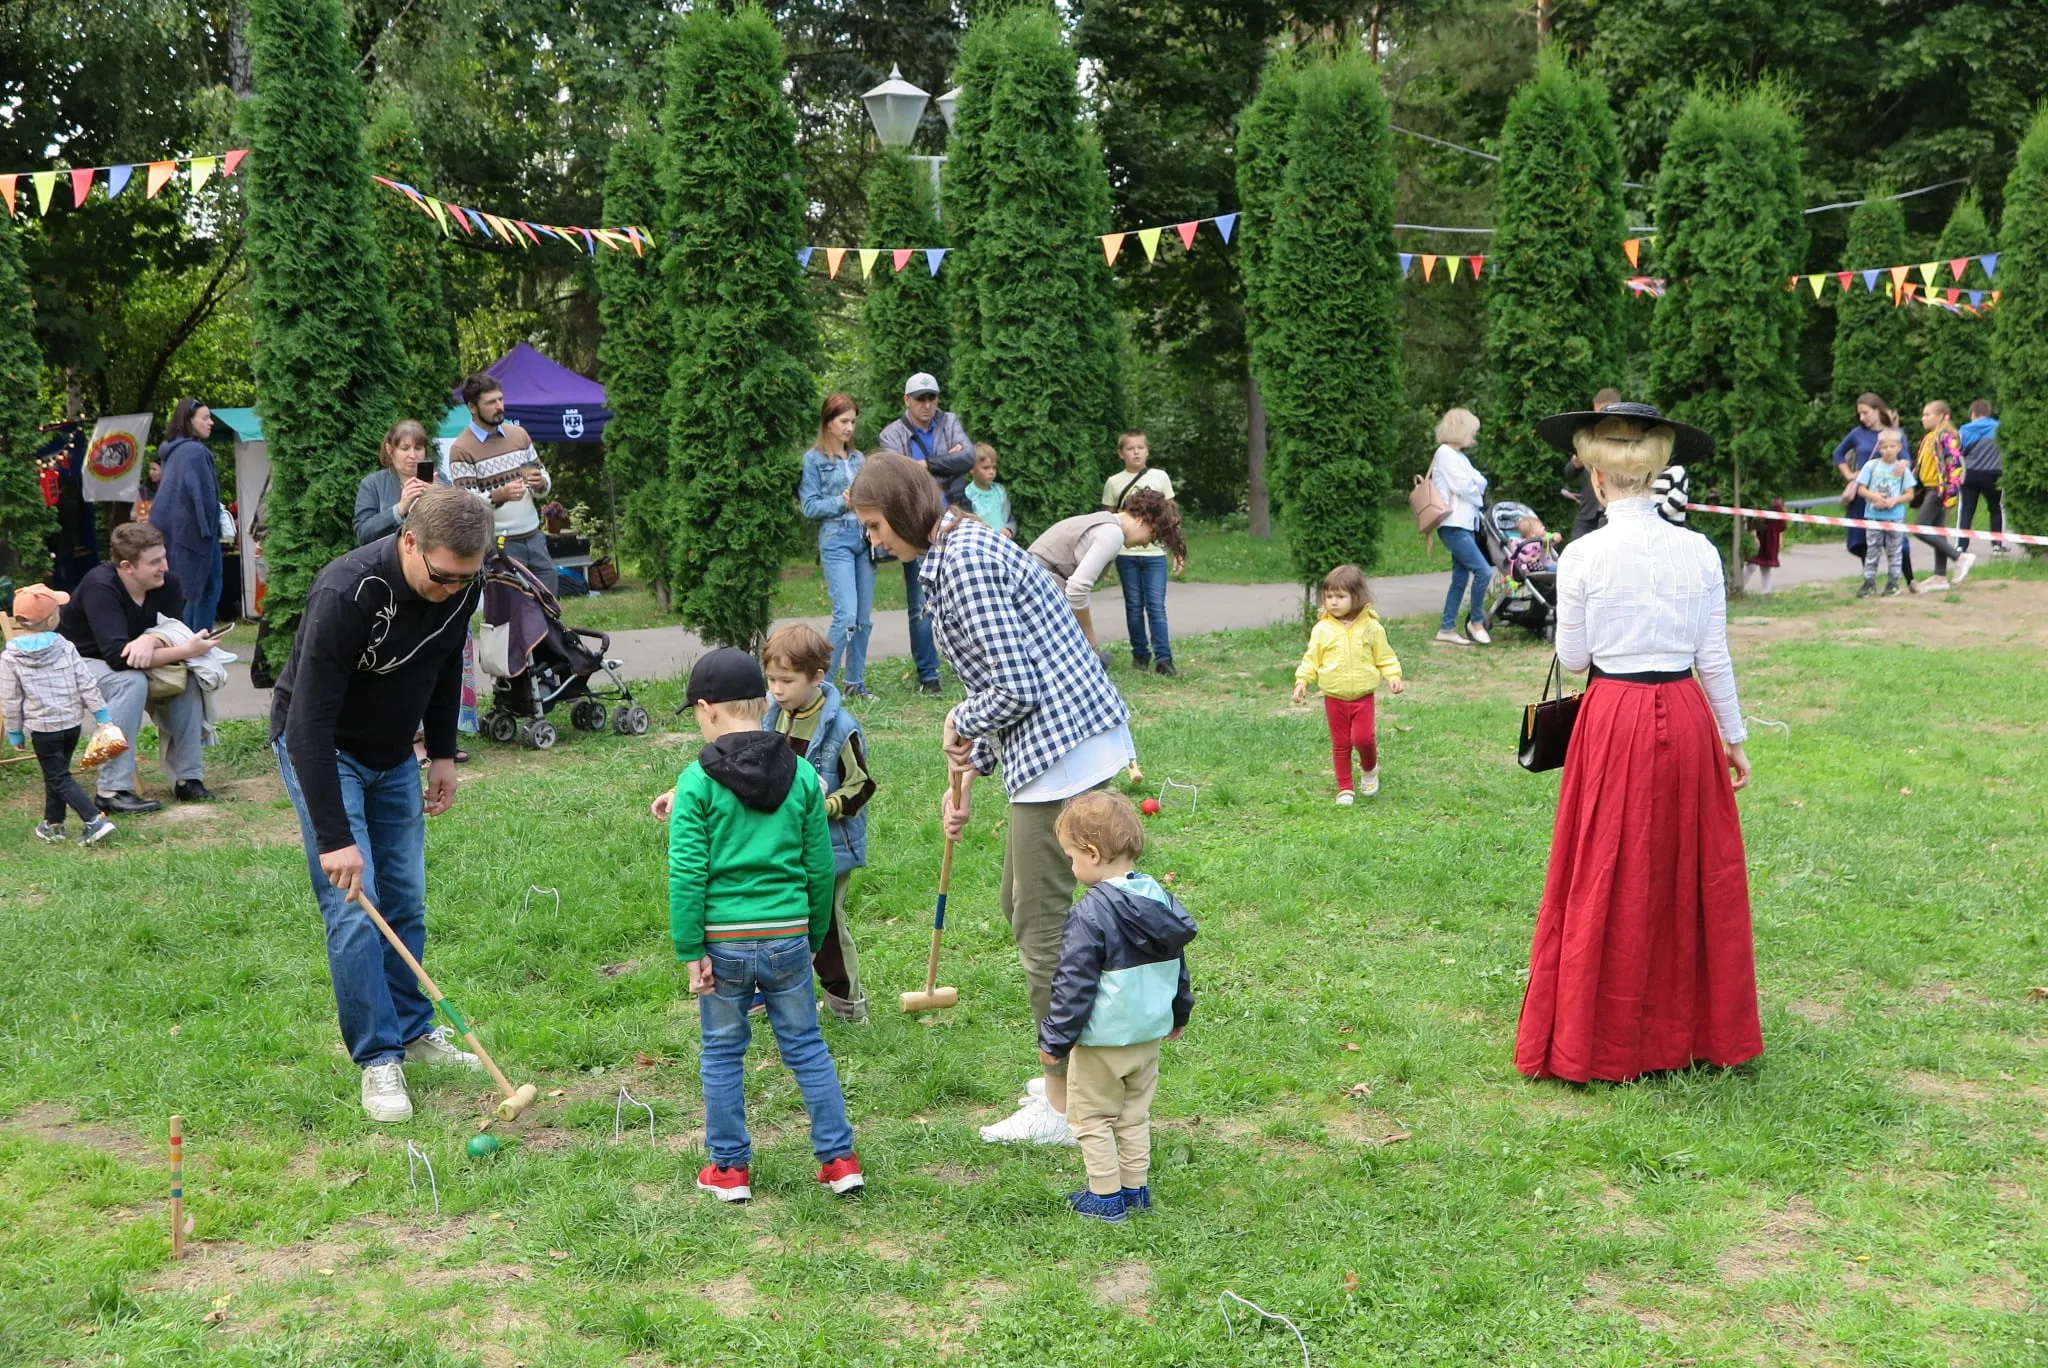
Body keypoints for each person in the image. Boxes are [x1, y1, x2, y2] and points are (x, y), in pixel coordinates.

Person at [847, 452, 1134, 1147]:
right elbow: (1017, 672)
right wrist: (976, 757)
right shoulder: (961, 547)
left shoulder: (966, 561)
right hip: (1056, 747)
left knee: (1043, 933)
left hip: (1063, 752)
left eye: (877, 525)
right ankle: (1082, 1075)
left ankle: (1068, 1105)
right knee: (1019, 905)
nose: (873, 540)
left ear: (908, 511)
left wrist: (961, 722)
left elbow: (1016, 687)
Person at [1515, 402, 1760, 1083]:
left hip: (1613, 714)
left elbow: (1572, 658)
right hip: (1686, 716)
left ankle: (1602, 1036)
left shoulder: (1585, 554)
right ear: (1656, 474)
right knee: (1689, 871)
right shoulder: (1700, 550)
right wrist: (1733, 737)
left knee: (1604, 870)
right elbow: (1714, 656)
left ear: (1595, 477)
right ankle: (1696, 1032)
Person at [271, 488, 491, 1123]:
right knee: (353, 907)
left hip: (396, 753)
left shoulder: (464, 581)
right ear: (409, 542)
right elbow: (306, 724)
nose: (454, 590)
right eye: (443, 576)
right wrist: (334, 834)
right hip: (326, 750)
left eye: (466, 578)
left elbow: (447, 663)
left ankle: (416, 1033)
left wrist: (443, 752)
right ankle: (378, 1059)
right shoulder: (348, 592)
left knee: (405, 897)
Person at [667, 647, 863, 1203]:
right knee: (805, 1045)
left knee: (723, 1052)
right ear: (761, 701)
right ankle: (840, 1159)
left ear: (707, 710)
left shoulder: (697, 782)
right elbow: (819, 865)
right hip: (789, 937)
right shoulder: (802, 775)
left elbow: (687, 872)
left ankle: (729, 1170)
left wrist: (690, 948)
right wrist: (814, 932)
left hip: (723, 943)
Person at [1039, 791, 1196, 1224]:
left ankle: (1105, 1197)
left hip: (1103, 1040)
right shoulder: (1158, 898)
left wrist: (1055, 1039)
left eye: (1071, 857)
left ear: (1092, 853)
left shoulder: (1090, 914)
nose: (1071, 867)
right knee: (1133, 1114)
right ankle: (1135, 1188)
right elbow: (1178, 964)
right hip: (1148, 1034)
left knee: (1092, 1117)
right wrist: (1178, 1012)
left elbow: (1074, 985)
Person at [56, 522, 219, 813]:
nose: (164, 567)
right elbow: (119, 658)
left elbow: (174, 629)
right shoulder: (100, 586)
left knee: (189, 678)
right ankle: (111, 790)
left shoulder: (167, 584)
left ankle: (189, 780)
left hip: (128, 660)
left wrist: (152, 638)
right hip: (77, 662)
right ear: (127, 566)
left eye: (164, 558)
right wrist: (184, 650)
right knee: (130, 681)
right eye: (155, 562)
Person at [761, 624, 877, 1023]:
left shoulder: (840, 727)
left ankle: (847, 1005)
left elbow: (862, 786)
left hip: (828, 848)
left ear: (816, 678)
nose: (777, 689)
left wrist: (824, 806)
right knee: (779, 917)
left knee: (825, 926)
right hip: (781, 844)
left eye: (787, 681)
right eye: (771, 679)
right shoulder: (771, 717)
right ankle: (777, 996)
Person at [876, 373, 975, 694]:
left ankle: (968, 665)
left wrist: (926, 465)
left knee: (965, 598)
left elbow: (968, 457)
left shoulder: (950, 421)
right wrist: (948, 460)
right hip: (917, 527)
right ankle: (928, 675)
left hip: (955, 522)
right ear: (907, 401)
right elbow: (899, 475)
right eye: (920, 399)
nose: (927, 405)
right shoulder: (891, 434)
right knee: (921, 605)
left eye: (931, 397)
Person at [2, 584, 119, 845]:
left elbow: (10, 699)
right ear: (51, 618)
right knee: (57, 773)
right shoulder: (65, 646)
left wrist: (14, 731)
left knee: (58, 776)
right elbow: (86, 682)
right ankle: (53, 823)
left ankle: (94, 820)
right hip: (71, 726)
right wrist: (101, 714)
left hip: (44, 731)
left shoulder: (11, 657)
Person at [1292, 564, 1404, 805]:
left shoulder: (1371, 627)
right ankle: (1344, 787)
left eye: (1340, 596)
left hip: (1363, 696)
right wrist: (1302, 681)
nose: (1333, 602)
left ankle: (1370, 769)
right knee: (1341, 743)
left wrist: (1393, 676)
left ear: (1357, 597)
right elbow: (1312, 658)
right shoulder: (1322, 629)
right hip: (1334, 696)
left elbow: (1384, 656)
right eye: (1329, 596)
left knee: (1363, 739)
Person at [1028, 491, 1187, 649]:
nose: (1146, 545)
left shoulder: (1104, 521)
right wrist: (1087, 633)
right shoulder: (1112, 534)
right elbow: (1076, 590)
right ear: (1140, 520)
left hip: (1033, 583)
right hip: (1036, 588)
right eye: (1151, 537)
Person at [448, 373, 555, 595]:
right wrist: (500, 495)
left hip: (534, 536)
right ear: (472, 407)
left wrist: (540, 483)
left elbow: (543, 478)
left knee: (550, 605)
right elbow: (467, 506)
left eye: (500, 399)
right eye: (491, 402)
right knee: (510, 614)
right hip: (498, 544)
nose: (499, 406)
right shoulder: (461, 449)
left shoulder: (519, 435)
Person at [798, 394, 873, 698]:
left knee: (864, 620)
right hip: (836, 540)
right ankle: (824, 685)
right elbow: (809, 506)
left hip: (864, 540)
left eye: (853, 422)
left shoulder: (859, 459)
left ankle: (855, 683)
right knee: (846, 617)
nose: (849, 428)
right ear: (828, 423)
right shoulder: (813, 460)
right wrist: (841, 502)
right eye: (844, 421)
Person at [1102, 431, 1179, 676]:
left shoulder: (1160, 477)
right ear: (1120, 453)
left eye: (1140, 448)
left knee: (1156, 606)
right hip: (1126, 554)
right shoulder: (1114, 482)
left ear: (1148, 451)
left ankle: (1164, 659)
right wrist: (1107, 559)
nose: (1136, 452)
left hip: (1155, 554)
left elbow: (1171, 517)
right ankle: (1140, 654)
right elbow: (1108, 521)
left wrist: (1177, 550)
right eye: (1130, 448)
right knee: (1134, 605)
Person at [148, 398, 225, 631]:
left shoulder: (172, 451)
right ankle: (198, 645)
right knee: (208, 589)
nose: (210, 422)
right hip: (196, 534)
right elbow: (203, 496)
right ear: (188, 421)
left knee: (191, 590)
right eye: (205, 418)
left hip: (174, 532)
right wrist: (209, 531)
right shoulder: (194, 451)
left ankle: (187, 642)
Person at [1429, 407, 1491, 647]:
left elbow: (1479, 483)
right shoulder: (1445, 453)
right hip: (1453, 524)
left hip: (1465, 524)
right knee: (1483, 571)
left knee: (1460, 577)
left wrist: (1473, 487)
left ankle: (1446, 628)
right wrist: (1474, 488)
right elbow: (1466, 486)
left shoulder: (1460, 456)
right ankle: (1475, 622)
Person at [1911, 401, 1973, 590]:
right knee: (1939, 532)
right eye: (1923, 415)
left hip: (1939, 490)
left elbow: (1954, 467)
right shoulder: (1928, 438)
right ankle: (1940, 576)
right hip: (1928, 489)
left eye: (1927, 414)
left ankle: (1959, 557)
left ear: (1940, 416)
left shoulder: (1946, 437)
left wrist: (1950, 495)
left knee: (1920, 528)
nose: (1923, 418)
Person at [354, 420, 443, 546]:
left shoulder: (440, 480)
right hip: (389, 560)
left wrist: (439, 497)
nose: (412, 455)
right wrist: (399, 509)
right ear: (390, 450)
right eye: (404, 448)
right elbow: (363, 534)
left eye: (418, 448)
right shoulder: (372, 484)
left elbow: (461, 523)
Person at [1851, 428, 1915, 598]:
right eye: (1885, 447)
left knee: (1895, 551)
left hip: (1895, 518)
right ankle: (1869, 582)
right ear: (1879, 448)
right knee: (1872, 550)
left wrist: (1894, 500)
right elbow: (1861, 489)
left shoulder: (1902, 470)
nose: (1888, 450)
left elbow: (1910, 494)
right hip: (1873, 516)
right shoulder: (1871, 466)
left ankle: (1893, 583)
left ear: (1899, 447)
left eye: (1892, 446)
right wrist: (1873, 496)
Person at [1831, 393, 1895, 564]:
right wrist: (1849, 474)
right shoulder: (1857, 433)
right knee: (1860, 539)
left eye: (1865, 413)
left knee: (1892, 539)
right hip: (1862, 492)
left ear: (1877, 410)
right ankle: (1869, 578)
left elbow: (1904, 459)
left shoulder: (1892, 433)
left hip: (1885, 491)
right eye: (1859, 414)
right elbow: (1838, 454)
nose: (1862, 417)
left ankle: (1904, 579)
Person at [1564, 387, 1622, 545]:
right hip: (1587, 511)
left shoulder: (1625, 437)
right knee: (1575, 552)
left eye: (1602, 412)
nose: (1598, 418)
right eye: (1595, 412)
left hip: (1614, 512)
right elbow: (1568, 474)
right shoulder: (1590, 435)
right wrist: (1576, 463)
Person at [1957, 400, 2005, 557]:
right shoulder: (1999, 429)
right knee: (1995, 508)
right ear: (1988, 413)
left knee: (1966, 510)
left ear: (1973, 414)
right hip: (1994, 474)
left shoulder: (1964, 430)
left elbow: (1958, 452)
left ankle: (1962, 546)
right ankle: (1997, 545)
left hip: (1970, 475)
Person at [962, 444, 1015, 539]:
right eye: (986, 468)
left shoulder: (1000, 491)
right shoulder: (967, 495)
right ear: (972, 469)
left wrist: (1009, 529)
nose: (991, 472)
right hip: (982, 546)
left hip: (1003, 544)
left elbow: (1010, 518)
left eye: (994, 467)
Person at [1743, 499, 1785, 595]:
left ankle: (1766, 592)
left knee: (1766, 567)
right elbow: (1752, 522)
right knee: (1751, 566)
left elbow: (1781, 526)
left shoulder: (1778, 508)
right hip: (1759, 537)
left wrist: (1780, 541)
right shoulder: (1760, 502)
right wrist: (1753, 537)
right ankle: (1739, 589)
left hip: (1771, 540)